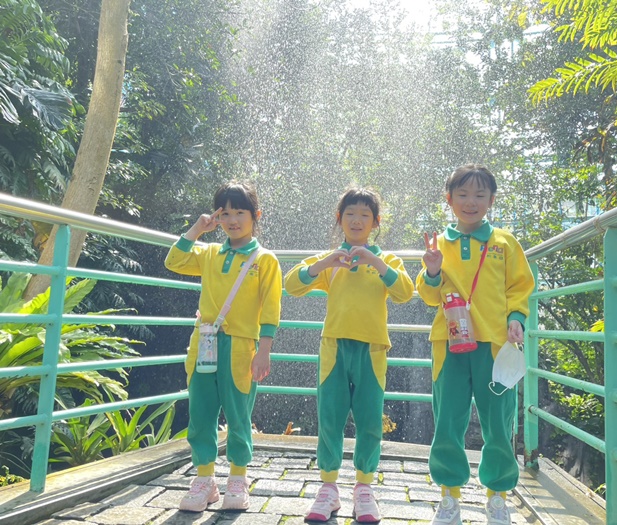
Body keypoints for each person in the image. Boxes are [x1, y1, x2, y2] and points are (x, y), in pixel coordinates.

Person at [284, 187, 414, 523]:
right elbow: (291, 284)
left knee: (370, 421)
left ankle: (364, 489)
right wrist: (325, 263)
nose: (357, 220)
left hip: (372, 350)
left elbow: (405, 291)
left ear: (376, 222)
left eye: (364, 215)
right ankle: (328, 488)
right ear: (339, 218)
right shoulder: (332, 260)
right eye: (350, 213)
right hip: (334, 348)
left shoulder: (386, 261)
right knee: (330, 418)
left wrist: (375, 262)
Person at [417, 164, 535, 525]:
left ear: (491, 200)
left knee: (498, 422)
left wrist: (517, 318)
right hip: (449, 343)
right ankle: (449, 497)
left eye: (480, 195)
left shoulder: (504, 241)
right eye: (463, 194)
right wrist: (432, 269)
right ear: (449, 199)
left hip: (495, 345)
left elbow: (520, 286)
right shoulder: (439, 244)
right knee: (448, 420)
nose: (471, 202)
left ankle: (497, 497)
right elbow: (428, 295)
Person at [164, 181, 282, 512]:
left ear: (256, 215)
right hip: (204, 341)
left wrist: (264, 349)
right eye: (225, 213)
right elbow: (173, 260)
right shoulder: (209, 253)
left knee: (238, 413)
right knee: (201, 411)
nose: (232, 220)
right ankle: (204, 480)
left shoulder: (265, 260)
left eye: (240, 212)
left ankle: (238, 479)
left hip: (242, 346)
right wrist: (197, 229)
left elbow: (271, 308)